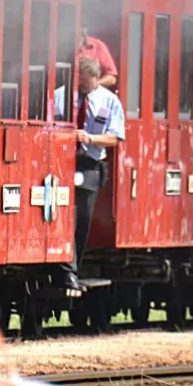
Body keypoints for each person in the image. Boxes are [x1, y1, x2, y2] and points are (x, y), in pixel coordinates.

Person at [54, 55, 126, 291]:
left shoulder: (109, 101)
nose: (81, 86)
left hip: (90, 164)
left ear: (96, 78)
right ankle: (67, 272)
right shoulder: (62, 94)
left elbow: (116, 138)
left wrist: (91, 138)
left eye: (84, 81)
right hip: (63, 162)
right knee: (67, 217)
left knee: (83, 220)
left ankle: (73, 267)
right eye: (79, 81)